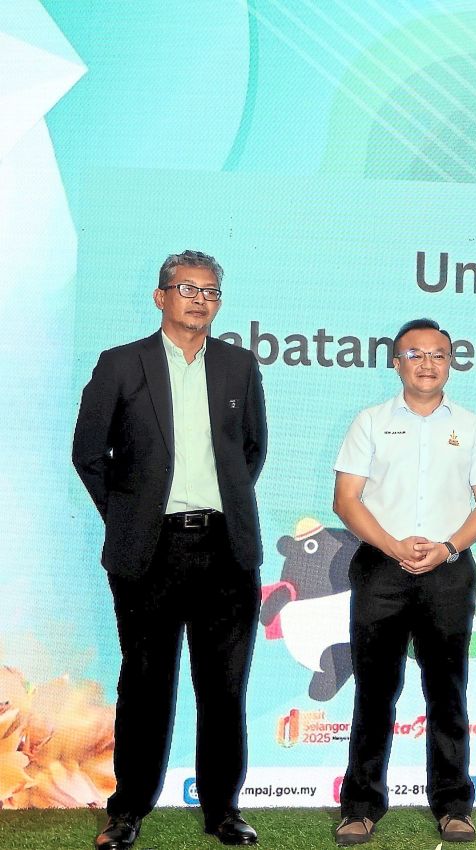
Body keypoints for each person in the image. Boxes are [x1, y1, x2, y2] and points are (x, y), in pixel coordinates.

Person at [72, 250, 267, 850]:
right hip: (147, 553)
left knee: (224, 687)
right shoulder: (119, 365)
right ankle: (127, 809)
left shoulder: (239, 366)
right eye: (186, 288)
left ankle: (222, 811)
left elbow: (252, 452)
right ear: (160, 297)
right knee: (146, 683)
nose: (198, 299)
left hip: (226, 550)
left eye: (210, 291)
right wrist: (133, 518)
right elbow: (88, 454)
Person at [331, 318, 476, 846]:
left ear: (450, 363)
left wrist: (448, 548)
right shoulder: (370, 422)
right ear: (397, 362)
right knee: (374, 693)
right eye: (416, 354)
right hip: (383, 568)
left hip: (449, 572)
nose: (427, 364)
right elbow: (346, 500)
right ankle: (360, 807)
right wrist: (394, 545)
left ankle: (453, 805)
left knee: (448, 693)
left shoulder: (471, 426)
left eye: (438, 355)